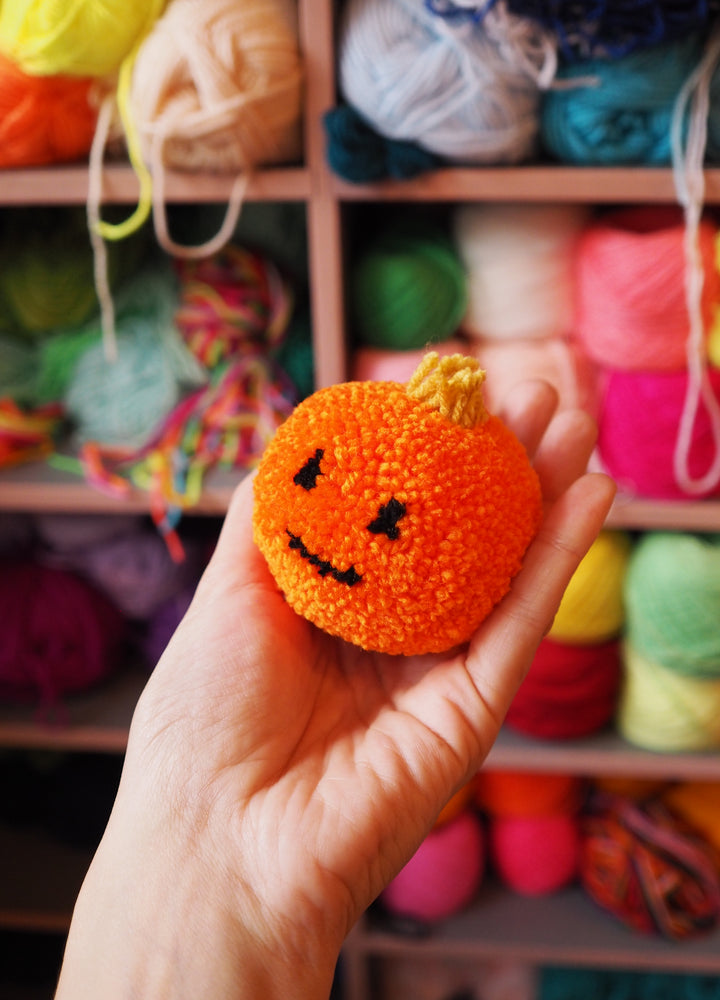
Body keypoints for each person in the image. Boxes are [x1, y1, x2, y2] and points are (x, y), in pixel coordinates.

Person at [53, 380, 615, 1000]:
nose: (337, 534)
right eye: (310, 476)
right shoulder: (337, 437)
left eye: (386, 520)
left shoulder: (482, 488)